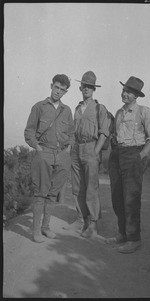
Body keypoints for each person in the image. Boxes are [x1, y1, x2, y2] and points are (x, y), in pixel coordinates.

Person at [106, 76, 150, 253]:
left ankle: (134, 239)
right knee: (117, 197)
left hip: (134, 155)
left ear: (136, 95)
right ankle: (122, 234)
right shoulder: (119, 113)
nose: (125, 94)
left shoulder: (144, 112)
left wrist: (140, 156)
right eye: (124, 90)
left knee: (131, 199)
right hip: (118, 155)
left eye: (129, 92)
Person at [24, 74, 75, 242]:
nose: (58, 92)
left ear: (65, 92)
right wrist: (38, 148)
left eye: (62, 89)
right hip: (44, 152)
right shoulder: (39, 107)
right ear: (51, 85)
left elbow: (72, 133)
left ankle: (46, 227)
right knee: (40, 193)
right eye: (56, 87)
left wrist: (68, 149)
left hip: (61, 155)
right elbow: (29, 131)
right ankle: (36, 231)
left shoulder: (67, 111)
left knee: (53, 194)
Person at [71, 71, 111, 238]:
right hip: (77, 148)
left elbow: (104, 132)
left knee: (91, 188)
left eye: (89, 86)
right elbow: (73, 131)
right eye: (84, 86)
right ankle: (82, 219)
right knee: (77, 187)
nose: (86, 89)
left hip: (91, 147)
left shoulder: (99, 108)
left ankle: (93, 224)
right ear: (80, 87)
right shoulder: (77, 108)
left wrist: (95, 152)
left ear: (93, 89)